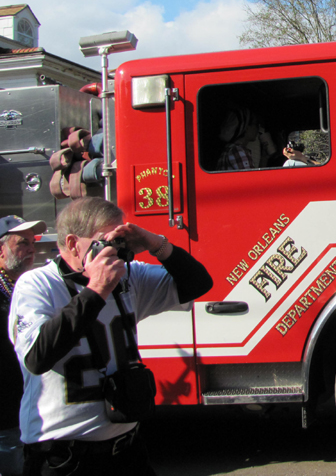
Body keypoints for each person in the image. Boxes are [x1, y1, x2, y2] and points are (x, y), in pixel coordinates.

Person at [10, 197, 213, 475]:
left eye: (119, 240)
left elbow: (198, 283)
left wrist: (156, 244)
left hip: (126, 448)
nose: (116, 250)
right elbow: (37, 358)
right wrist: (96, 290)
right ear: (73, 244)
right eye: (105, 241)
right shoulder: (37, 284)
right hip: (64, 455)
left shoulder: (129, 276)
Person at [0, 216, 46, 476]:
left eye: (32, 243)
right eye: (22, 243)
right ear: (1, 250)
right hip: (6, 413)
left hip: (33, 408)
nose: (31, 249)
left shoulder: (30, 289)